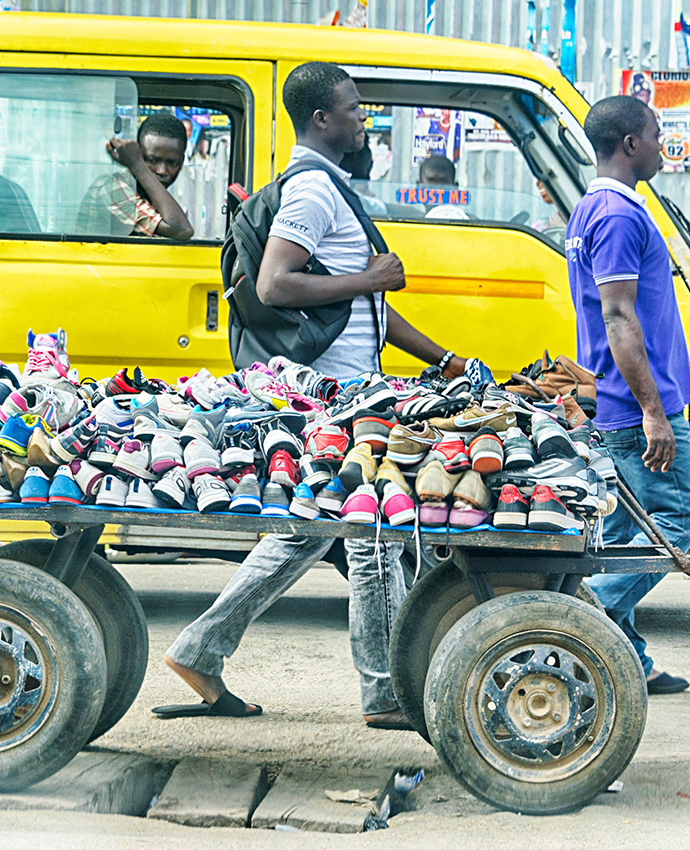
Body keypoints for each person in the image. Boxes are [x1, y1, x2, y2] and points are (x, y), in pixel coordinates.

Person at [157, 62, 466, 730]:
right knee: (371, 535)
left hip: (353, 385)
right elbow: (274, 284)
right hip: (339, 395)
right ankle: (384, 691)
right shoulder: (313, 195)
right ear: (322, 120)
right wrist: (367, 279)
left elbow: (370, 306)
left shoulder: (329, 187)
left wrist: (440, 357)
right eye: (355, 108)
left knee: (306, 531)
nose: (365, 119)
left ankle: (199, 650)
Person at [568, 95, 690, 695]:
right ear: (629, 144)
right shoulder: (619, 216)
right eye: (655, 133)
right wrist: (653, 410)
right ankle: (576, 623)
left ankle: (630, 662)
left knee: (626, 538)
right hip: (636, 403)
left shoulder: (593, 209)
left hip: (621, 398)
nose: (660, 144)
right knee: (676, 521)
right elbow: (619, 316)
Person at [76, 112, 194, 240]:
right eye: (152, 160)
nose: (162, 171)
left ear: (181, 162)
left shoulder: (154, 199)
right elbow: (182, 230)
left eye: (172, 163)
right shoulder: (111, 187)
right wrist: (137, 165)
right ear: (137, 155)